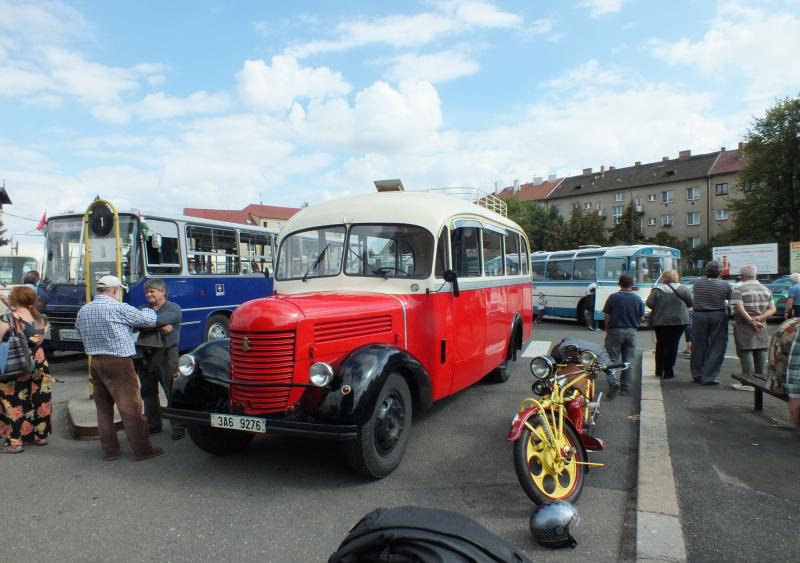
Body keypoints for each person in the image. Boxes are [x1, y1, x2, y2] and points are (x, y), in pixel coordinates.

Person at [75, 275, 163, 462]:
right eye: (119, 290)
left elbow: (79, 331)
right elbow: (148, 320)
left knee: (103, 409)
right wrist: (149, 310)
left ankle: (110, 451)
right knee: (130, 407)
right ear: (115, 289)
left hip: (96, 362)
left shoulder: (84, 310)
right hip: (119, 363)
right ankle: (142, 449)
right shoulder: (118, 307)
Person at [0, 287, 51, 453]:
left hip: (16, 364)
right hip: (38, 361)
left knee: (13, 401)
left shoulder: (7, 319)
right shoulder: (40, 319)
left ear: (14, 300)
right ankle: (39, 436)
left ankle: (15, 442)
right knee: (38, 397)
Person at [135, 278, 184, 439]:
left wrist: (151, 323)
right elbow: (134, 323)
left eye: (152, 291)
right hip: (145, 356)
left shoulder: (173, 308)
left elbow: (160, 319)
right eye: (146, 292)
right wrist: (160, 327)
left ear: (163, 292)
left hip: (166, 355)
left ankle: (178, 427)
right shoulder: (142, 308)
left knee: (171, 390)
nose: (148, 294)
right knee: (148, 392)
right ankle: (153, 425)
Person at [730, 265, 775, 391]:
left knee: (746, 351)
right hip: (762, 324)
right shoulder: (766, 289)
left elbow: (739, 307)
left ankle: (748, 382)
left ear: (742, 276)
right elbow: (773, 309)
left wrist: (751, 321)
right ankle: (760, 380)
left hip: (744, 324)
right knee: (760, 350)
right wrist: (760, 318)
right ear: (756, 275)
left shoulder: (738, 289)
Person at [690, 261, 732, 386]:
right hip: (717, 315)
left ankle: (697, 374)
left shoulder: (697, 283)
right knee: (717, 345)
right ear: (720, 272)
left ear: (706, 271)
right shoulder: (725, 284)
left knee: (698, 345)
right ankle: (709, 376)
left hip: (699, 315)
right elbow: (730, 300)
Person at [646, 269, 692, 380]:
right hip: (679, 321)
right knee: (673, 345)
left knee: (661, 344)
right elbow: (691, 303)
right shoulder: (684, 289)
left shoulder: (657, 290)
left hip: (661, 321)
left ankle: (659, 370)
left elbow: (650, 304)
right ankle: (668, 371)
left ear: (664, 277)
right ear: (676, 277)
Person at [602, 274, 644, 397]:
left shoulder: (613, 297)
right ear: (632, 284)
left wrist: (607, 330)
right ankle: (625, 388)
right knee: (628, 361)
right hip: (631, 331)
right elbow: (641, 317)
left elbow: (607, 316)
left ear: (619, 284)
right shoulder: (637, 299)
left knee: (612, 360)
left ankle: (613, 382)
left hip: (615, 330)